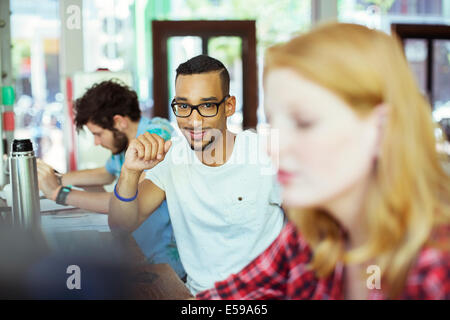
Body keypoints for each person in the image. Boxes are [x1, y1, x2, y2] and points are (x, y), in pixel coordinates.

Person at [196, 23, 450, 300]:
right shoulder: (312, 237)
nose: (272, 146)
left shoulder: (435, 266)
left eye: (304, 122)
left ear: (382, 130)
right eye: (273, 121)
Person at [108, 55, 285, 294]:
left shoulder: (268, 154)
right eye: (183, 106)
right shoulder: (172, 157)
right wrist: (130, 172)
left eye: (207, 106)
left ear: (229, 106)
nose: (194, 120)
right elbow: (122, 224)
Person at [37, 80, 186, 279]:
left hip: (163, 266)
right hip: (137, 253)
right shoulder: (124, 142)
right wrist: (57, 178)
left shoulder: (154, 139)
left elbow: (125, 202)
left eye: (98, 134)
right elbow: (106, 172)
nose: (96, 142)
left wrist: (59, 193)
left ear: (119, 122)